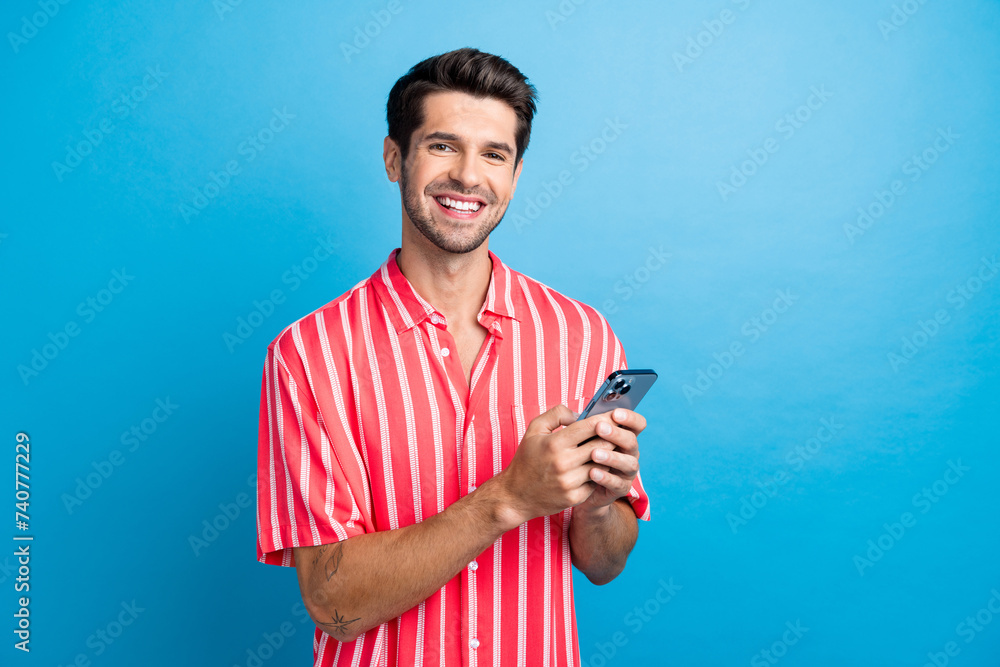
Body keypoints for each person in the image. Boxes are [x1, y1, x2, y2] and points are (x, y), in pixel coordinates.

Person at [255, 47, 651, 667]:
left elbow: (603, 565)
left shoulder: (585, 336)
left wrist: (598, 505)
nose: (468, 176)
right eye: (443, 146)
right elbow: (333, 602)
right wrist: (510, 498)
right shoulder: (310, 354)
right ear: (395, 159)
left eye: (494, 154)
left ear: (516, 175)